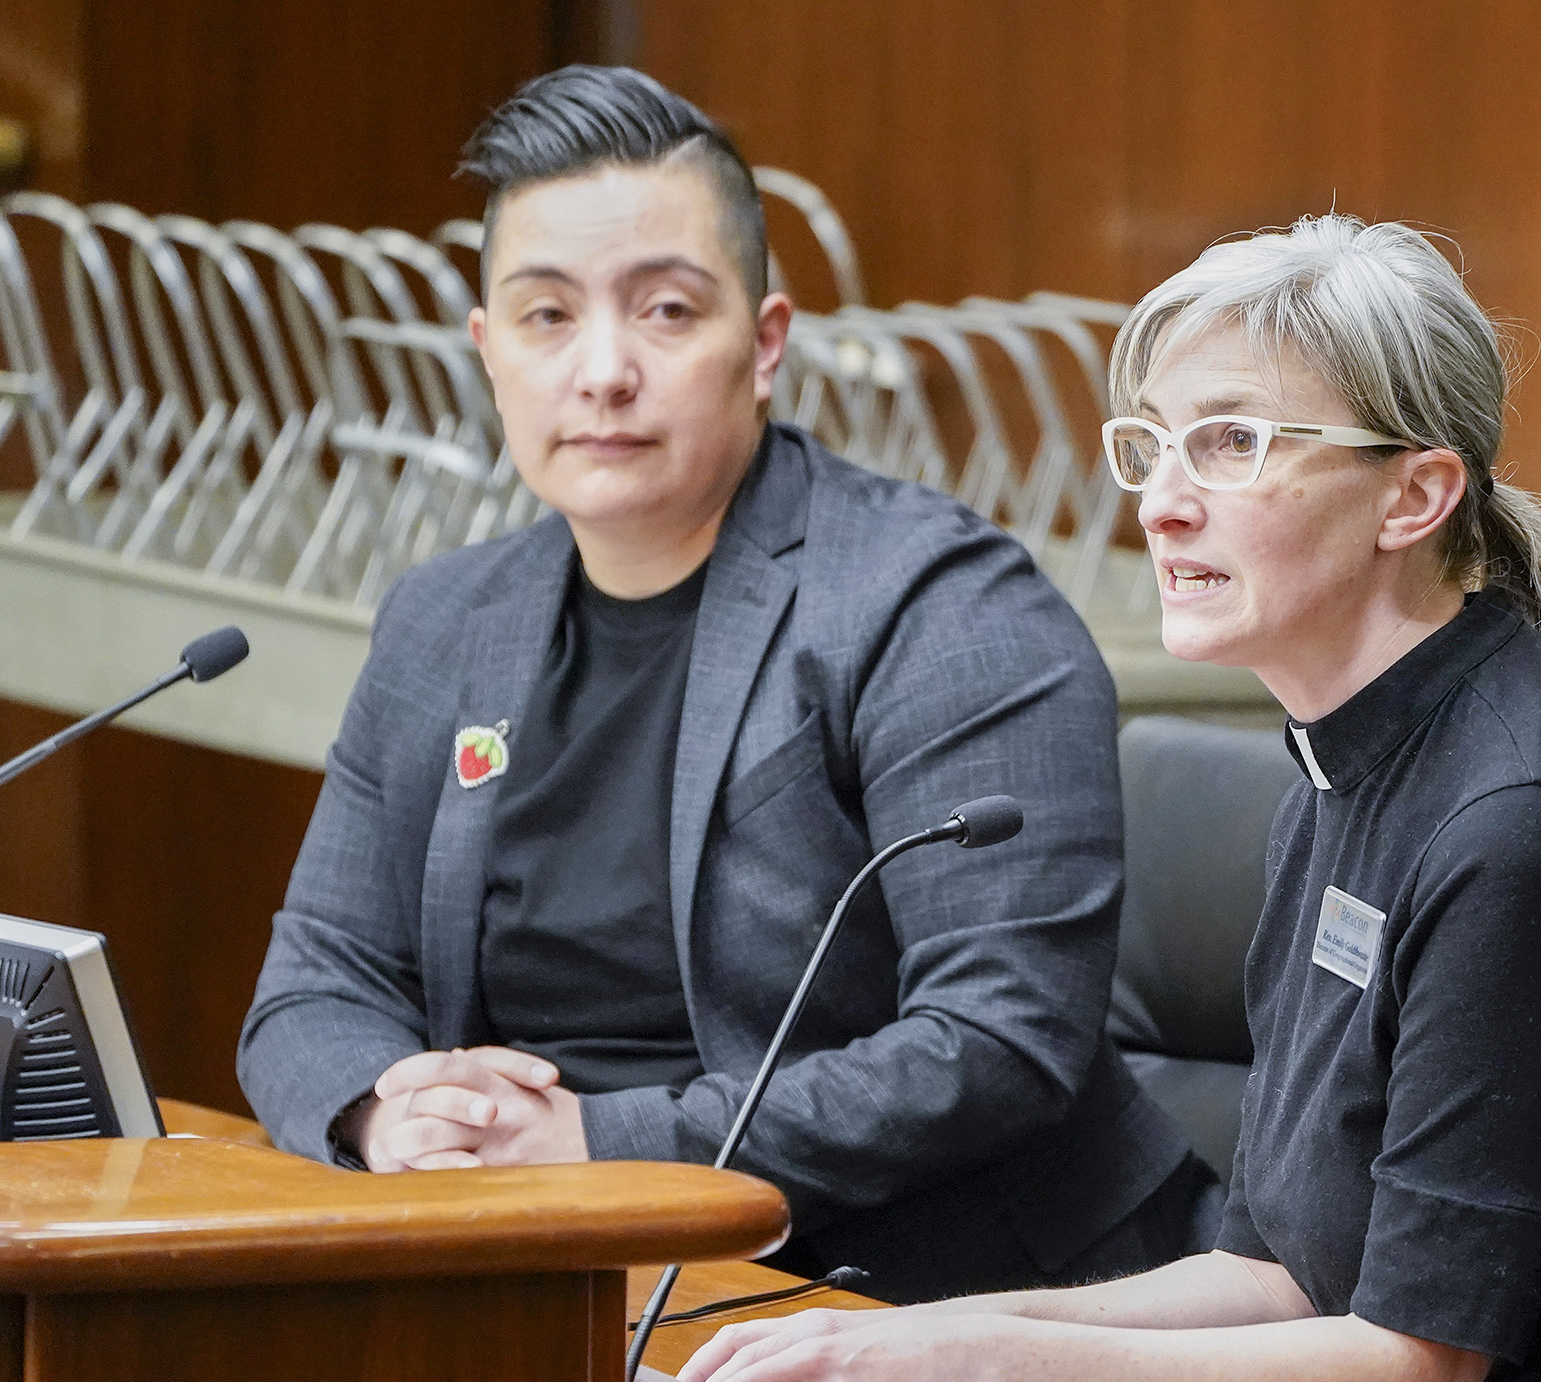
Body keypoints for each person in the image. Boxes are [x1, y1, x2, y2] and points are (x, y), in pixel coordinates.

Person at [679, 215, 1541, 1382]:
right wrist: (924, 1336)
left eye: (1230, 443)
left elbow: (1406, 1371)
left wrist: (979, 1369)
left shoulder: (1518, 827)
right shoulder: (1343, 772)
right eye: (1152, 447)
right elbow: (1279, 1276)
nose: (1162, 502)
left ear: (1415, 494)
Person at [236, 65, 1214, 1304]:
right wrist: (390, 1112)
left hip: (926, 1296)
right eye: (546, 318)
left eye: (664, 311)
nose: (601, 371)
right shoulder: (445, 623)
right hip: (556, 1268)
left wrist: (595, 1144)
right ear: (488, 354)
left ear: (762, 346)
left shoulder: (941, 610)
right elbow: (314, 983)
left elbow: (997, 1041)